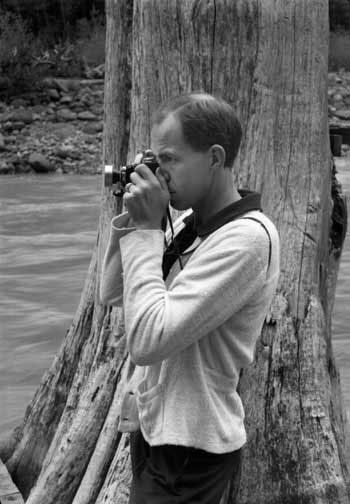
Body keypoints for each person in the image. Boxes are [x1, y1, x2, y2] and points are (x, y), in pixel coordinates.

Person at [100, 92, 280, 503]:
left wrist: (148, 230)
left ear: (214, 158)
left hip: (192, 450)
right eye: (155, 160)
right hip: (157, 433)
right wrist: (134, 216)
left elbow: (149, 342)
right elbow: (111, 291)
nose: (159, 174)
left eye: (170, 160)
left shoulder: (248, 238)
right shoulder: (189, 226)